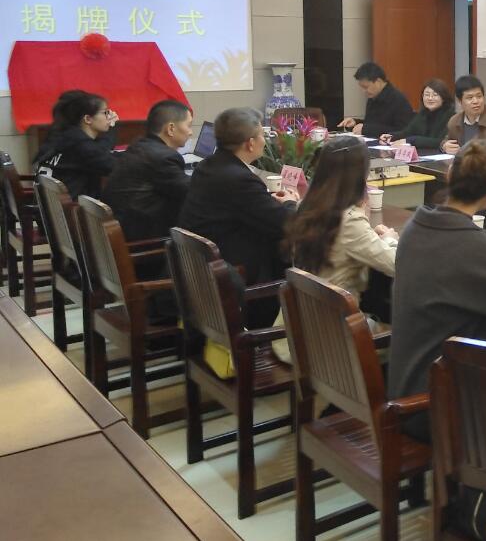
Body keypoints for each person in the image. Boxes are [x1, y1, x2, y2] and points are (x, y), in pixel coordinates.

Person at [387, 140, 486, 441]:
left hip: (406, 386)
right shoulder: (476, 248)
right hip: (436, 406)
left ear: (449, 174)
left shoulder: (416, 225)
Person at [274, 135, 397, 363]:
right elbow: (397, 265)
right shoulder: (349, 220)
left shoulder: (306, 207)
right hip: (333, 343)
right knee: (409, 337)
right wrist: (389, 239)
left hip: (299, 331)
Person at [178, 108, 299, 290]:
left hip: (203, 267)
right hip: (234, 275)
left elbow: (244, 205)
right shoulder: (240, 179)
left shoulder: (207, 165)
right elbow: (287, 224)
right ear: (250, 143)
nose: (264, 141)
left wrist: (267, 200)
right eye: (262, 135)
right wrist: (291, 203)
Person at [101, 99, 193, 242]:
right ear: (171, 129)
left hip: (120, 230)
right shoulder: (163, 157)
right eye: (189, 125)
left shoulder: (139, 145)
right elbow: (193, 193)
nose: (191, 132)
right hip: (142, 241)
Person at [33, 90, 118, 199]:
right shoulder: (78, 143)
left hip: (49, 206)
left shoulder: (61, 136)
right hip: (71, 208)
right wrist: (111, 127)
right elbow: (110, 166)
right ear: (88, 119)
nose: (110, 115)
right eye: (105, 112)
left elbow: (98, 153)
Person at [335, 62, 414, 137]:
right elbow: (372, 124)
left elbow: (403, 131)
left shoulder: (398, 100)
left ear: (378, 81)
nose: (364, 91)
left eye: (366, 87)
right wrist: (356, 123)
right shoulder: (373, 97)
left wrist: (366, 129)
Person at [380, 78, 456, 148]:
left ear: (443, 98)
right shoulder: (423, 114)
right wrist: (391, 136)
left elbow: (441, 142)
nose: (430, 98)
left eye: (435, 95)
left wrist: (412, 140)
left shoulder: (450, 116)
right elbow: (407, 133)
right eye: (427, 95)